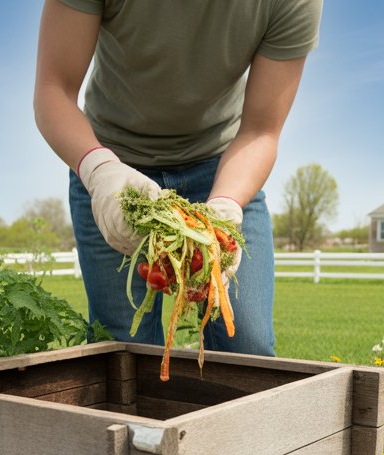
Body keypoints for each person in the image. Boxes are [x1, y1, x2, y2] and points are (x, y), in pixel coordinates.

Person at [33, 0, 323, 356]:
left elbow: (261, 131)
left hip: (223, 169)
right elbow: (54, 90)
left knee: (247, 346)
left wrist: (226, 204)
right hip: (112, 167)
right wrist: (99, 170)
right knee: (122, 348)